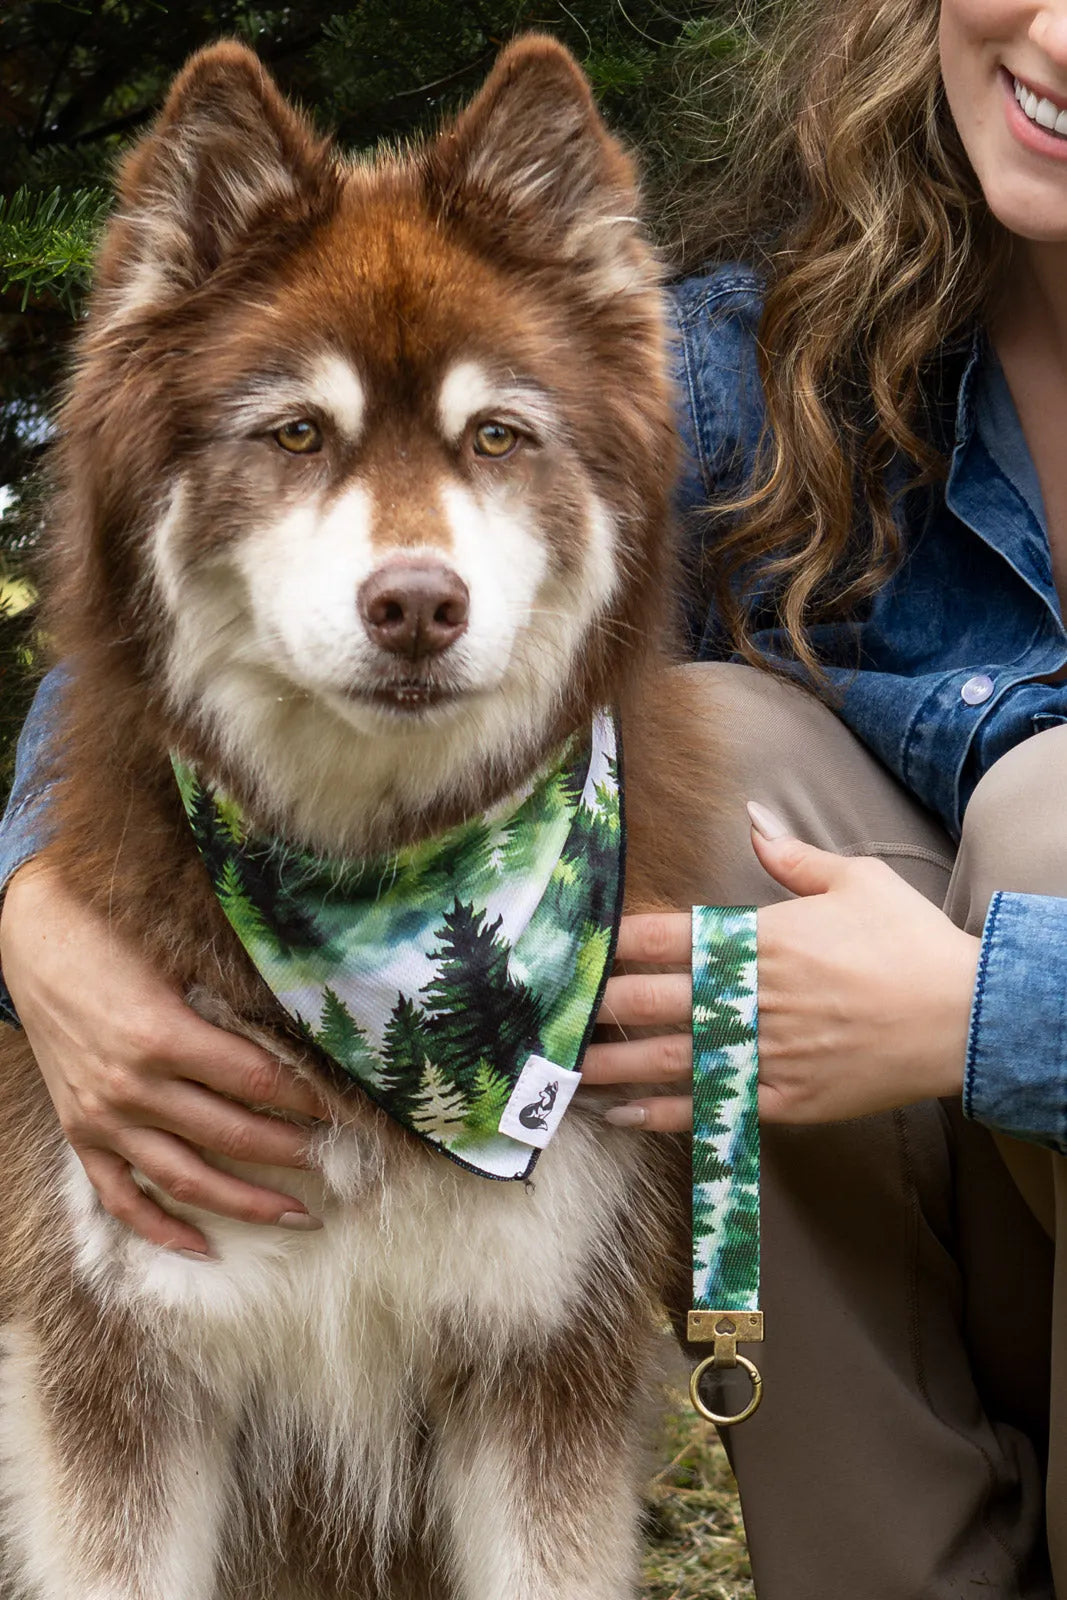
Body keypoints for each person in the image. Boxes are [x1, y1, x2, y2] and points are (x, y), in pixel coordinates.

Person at [1, 0, 1066, 1592]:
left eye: (494, 437)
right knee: (727, 768)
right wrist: (33, 914)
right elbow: (147, 611)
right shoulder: (763, 365)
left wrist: (994, 1011)